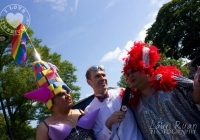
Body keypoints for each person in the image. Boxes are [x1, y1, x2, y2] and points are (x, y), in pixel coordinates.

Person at [122, 41, 200, 140]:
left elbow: (196, 100)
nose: (130, 75)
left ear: (145, 68)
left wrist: (197, 86)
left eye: (134, 70)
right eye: (127, 74)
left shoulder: (167, 80)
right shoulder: (133, 104)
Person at [24, 51, 99, 140]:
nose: (67, 95)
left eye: (67, 92)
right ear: (51, 101)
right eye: (61, 94)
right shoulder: (44, 127)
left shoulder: (81, 112)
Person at [84, 65, 143, 140]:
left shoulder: (123, 92)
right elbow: (98, 138)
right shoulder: (89, 110)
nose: (102, 78)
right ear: (89, 82)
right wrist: (108, 123)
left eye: (103, 75)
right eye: (97, 76)